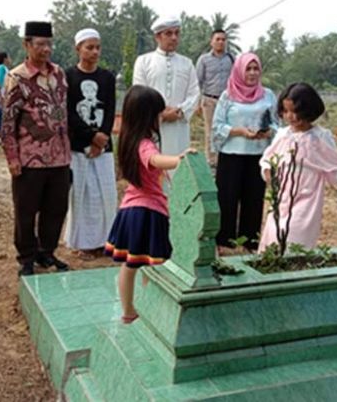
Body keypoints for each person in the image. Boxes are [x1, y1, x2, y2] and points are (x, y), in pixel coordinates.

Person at [105, 85, 195, 324]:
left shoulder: (127, 138)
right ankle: (146, 307)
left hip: (130, 209)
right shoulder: (144, 143)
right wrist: (179, 158)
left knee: (132, 264)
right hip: (147, 211)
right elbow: (154, 159)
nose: (159, 119)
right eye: (157, 114)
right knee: (154, 264)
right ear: (147, 116)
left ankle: (129, 310)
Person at [1, 21, 71, 276]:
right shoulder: (17, 77)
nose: (46, 49)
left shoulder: (59, 74)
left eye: (49, 44)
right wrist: (12, 158)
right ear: (27, 45)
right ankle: (27, 257)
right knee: (26, 211)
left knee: (56, 209)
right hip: (30, 159)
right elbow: (8, 122)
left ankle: (47, 252)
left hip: (60, 157)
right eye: (40, 44)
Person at [258, 82, 337, 251]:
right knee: (274, 235)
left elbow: (336, 167)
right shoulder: (283, 135)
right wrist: (267, 171)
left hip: (306, 198)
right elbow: (268, 158)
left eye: (295, 112)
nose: (290, 117)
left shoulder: (319, 138)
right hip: (281, 196)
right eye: (286, 111)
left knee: (294, 237)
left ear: (308, 111)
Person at [212, 53, 278, 253]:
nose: (252, 73)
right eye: (248, 69)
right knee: (227, 198)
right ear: (240, 70)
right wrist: (239, 131)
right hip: (231, 154)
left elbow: (277, 123)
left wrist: (268, 132)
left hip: (257, 155)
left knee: (254, 199)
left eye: (256, 68)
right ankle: (225, 242)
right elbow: (217, 126)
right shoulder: (227, 95)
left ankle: (250, 243)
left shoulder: (268, 95)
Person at [64, 28, 117, 260]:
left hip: (103, 146)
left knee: (106, 193)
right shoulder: (68, 76)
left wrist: (102, 137)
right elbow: (68, 112)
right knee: (82, 194)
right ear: (78, 49)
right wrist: (90, 137)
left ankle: (105, 240)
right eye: (89, 47)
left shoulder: (106, 77)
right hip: (78, 145)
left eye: (97, 47)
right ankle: (83, 243)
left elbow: (110, 109)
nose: (94, 51)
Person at [132, 15, 199, 157]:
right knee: (153, 166)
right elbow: (138, 95)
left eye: (177, 33)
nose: (174, 38)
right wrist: (160, 115)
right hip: (152, 126)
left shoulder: (187, 63)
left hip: (178, 127)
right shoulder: (143, 62)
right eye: (169, 33)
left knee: (178, 167)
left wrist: (179, 111)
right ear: (157, 37)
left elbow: (194, 94)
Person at [196, 29, 233, 158]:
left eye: (223, 39)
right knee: (210, 131)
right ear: (211, 42)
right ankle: (211, 161)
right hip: (209, 100)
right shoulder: (204, 59)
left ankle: (224, 158)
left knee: (226, 130)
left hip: (227, 101)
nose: (221, 42)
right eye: (218, 39)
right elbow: (198, 82)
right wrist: (197, 103)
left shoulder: (231, 59)